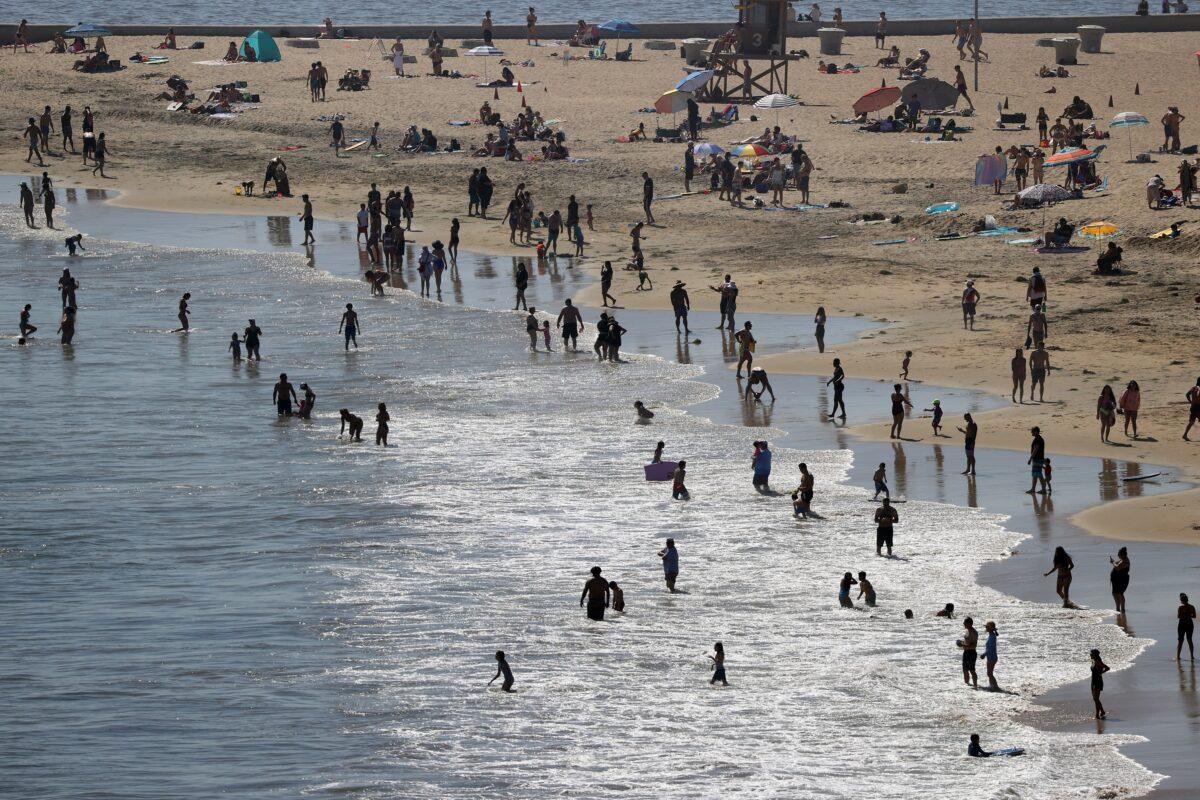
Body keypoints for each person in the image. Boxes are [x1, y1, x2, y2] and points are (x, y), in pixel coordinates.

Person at [958, 617, 979, 688]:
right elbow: (968, 642)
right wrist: (962, 642)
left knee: (972, 670)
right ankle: (967, 686)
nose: (963, 623)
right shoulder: (967, 630)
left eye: (965, 622)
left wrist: (962, 644)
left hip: (971, 653)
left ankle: (975, 686)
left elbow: (973, 645)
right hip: (966, 652)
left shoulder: (973, 632)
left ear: (969, 623)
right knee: (965, 670)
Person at [1109, 547, 1130, 614]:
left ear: (1123, 555)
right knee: (1115, 594)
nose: (1118, 555)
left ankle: (1122, 609)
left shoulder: (1125, 561)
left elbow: (1117, 567)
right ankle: (1118, 608)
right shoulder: (1122, 559)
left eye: (1119, 554)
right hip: (1117, 580)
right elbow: (1116, 563)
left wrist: (1113, 562)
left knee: (1120, 594)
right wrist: (1113, 561)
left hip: (1122, 580)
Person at [1090, 649, 1110, 719]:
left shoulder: (1098, 662)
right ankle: (1100, 712)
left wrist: (1101, 673)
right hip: (1093, 681)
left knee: (1096, 698)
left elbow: (1107, 668)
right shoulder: (1093, 661)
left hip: (1098, 681)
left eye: (1091, 654)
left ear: (1094, 655)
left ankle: (1098, 713)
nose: (1090, 655)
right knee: (1095, 699)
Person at [1027, 426, 1048, 493]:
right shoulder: (1038, 438)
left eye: (1032, 431)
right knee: (1035, 475)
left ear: (1036, 431)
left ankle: (1044, 489)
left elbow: (1035, 449)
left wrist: (1030, 458)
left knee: (1038, 474)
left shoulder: (1038, 439)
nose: (1031, 433)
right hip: (1038, 459)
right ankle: (1033, 489)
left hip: (1037, 459)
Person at [1178, 593, 1197, 661]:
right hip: (1189, 623)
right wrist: (1189, 615)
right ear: (1187, 600)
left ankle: (1178, 656)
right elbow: (1194, 616)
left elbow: (1179, 616)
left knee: (1180, 641)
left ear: (1181, 600)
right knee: (1189, 640)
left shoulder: (1180, 607)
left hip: (1182, 624)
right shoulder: (1192, 607)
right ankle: (1192, 656)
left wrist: (1184, 614)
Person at [983, 621, 1000, 690]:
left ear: (990, 628)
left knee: (989, 673)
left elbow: (990, 648)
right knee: (989, 673)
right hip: (990, 656)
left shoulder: (992, 637)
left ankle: (995, 687)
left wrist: (984, 654)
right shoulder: (991, 635)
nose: (986, 628)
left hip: (992, 657)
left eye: (987, 627)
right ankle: (992, 686)